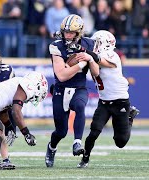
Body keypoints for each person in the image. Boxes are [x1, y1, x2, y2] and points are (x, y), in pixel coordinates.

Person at [76, 30, 139, 168]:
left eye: (97, 42)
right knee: (94, 132)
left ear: (105, 43)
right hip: (104, 102)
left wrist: (87, 53)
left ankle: (130, 118)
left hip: (120, 101)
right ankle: (85, 159)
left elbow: (102, 61)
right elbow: (91, 67)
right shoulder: (92, 57)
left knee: (120, 142)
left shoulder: (113, 55)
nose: (94, 45)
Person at [45, 14, 100, 168]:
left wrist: (89, 59)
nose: (67, 35)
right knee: (61, 132)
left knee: (80, 106)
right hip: (61, 90)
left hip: (79, 88)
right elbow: (61, 76)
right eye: (65, 32)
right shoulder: (56, 45)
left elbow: (96, 73)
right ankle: (52, 147)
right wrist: (81, 65)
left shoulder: (89, 44)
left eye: (71, 32)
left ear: (79, 32)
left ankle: (77, 142)